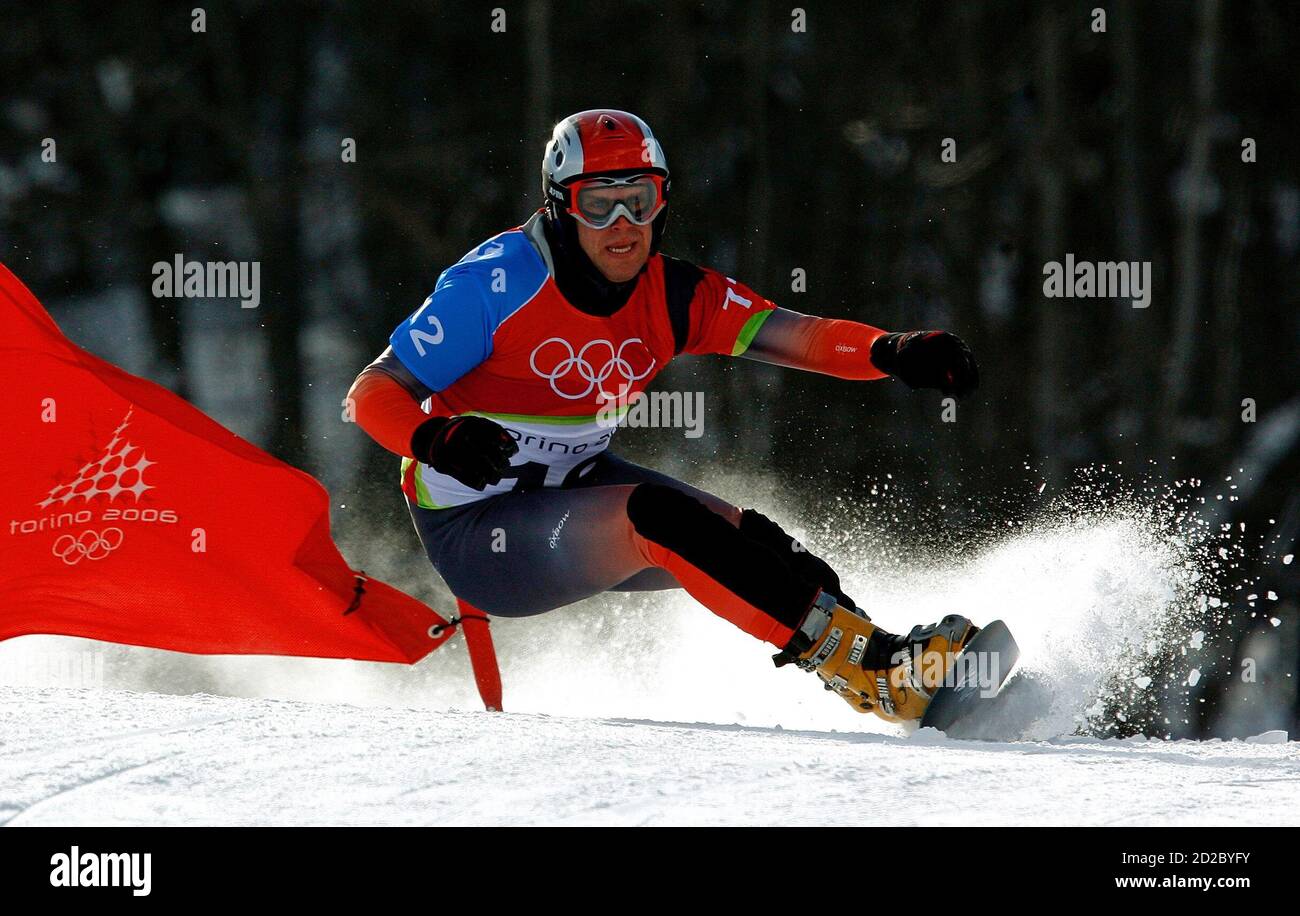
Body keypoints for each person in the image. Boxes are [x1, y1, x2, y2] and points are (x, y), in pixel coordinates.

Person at [348, 109, 982, 723]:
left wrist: (890, 351)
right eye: (599, 204)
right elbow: (370, 392)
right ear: (559, 208)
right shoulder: (495, 286)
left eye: (641, 201)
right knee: (661, 519)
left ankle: (888, 662)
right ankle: (869, 671)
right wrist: (433, 437)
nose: (623, 225)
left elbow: (792, 334)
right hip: (477, 527)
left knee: (756, 543)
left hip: (573, 483)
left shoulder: (674, 293)